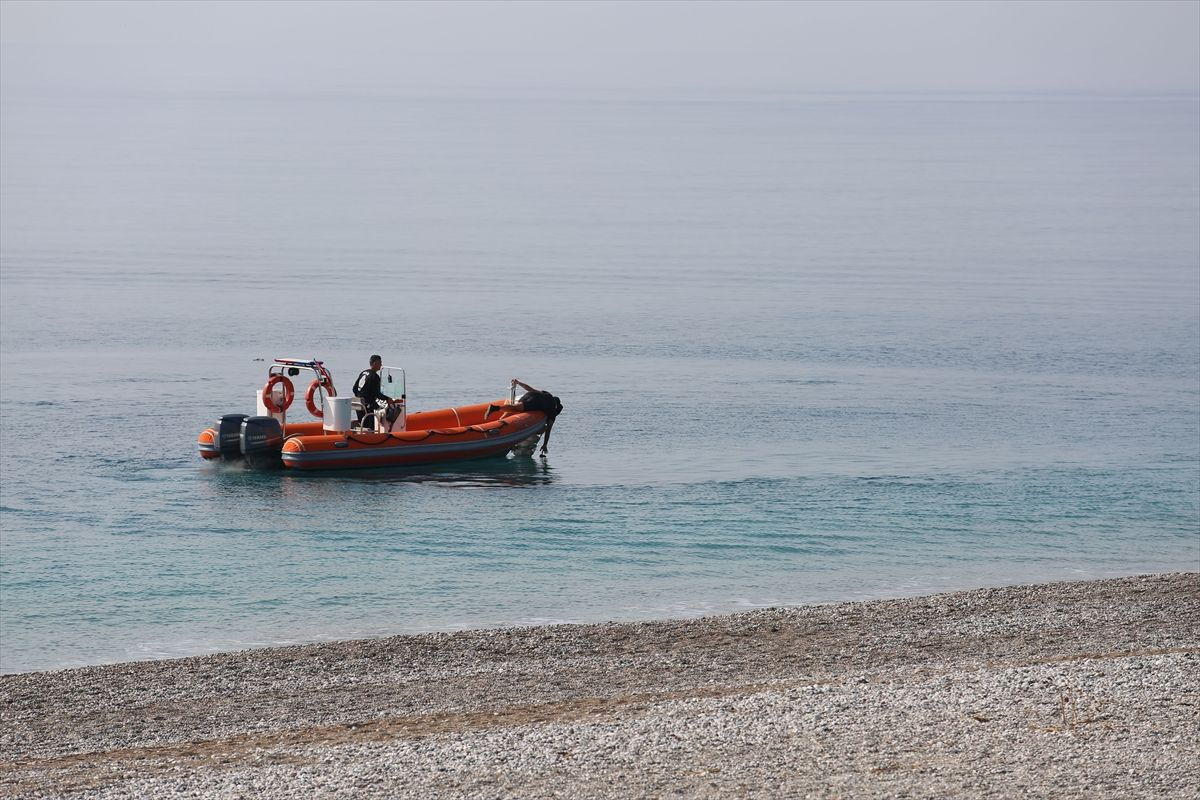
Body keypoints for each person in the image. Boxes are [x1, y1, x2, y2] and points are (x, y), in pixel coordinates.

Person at [484, 379, 563, 456]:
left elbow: (531, 389)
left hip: (529, 395)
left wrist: (519, 383)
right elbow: (548, 431)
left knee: (514, 408)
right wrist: (545, 445)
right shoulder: (552, 411)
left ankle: (500, 419)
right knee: (516, 408)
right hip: (535, 401)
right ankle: (496, 408)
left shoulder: (547, 394)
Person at [352, 354, 392, 430]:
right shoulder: (374, 376)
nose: (381, 365)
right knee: (374, 421)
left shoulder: (364, 372)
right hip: (367, 405)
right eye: (380, 363)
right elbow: (377, 393)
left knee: (363, 423)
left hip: (358, 404)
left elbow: (354, 389)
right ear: (374, 363)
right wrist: (387, 398)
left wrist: (360, 396)